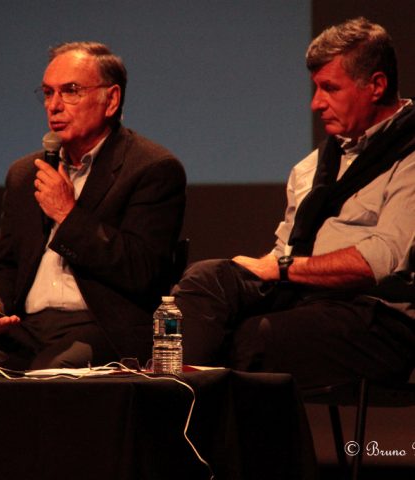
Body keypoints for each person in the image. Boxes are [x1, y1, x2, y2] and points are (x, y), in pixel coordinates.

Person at [173, 17, 415, 389]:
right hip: (303, 297)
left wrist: (282, 268)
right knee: (207, 280)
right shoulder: (311, 168)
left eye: (329, 88)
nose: (315, 104)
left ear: (376, 86)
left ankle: (192, 434)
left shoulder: (410, 157)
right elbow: (284, 248)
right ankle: (173, 415)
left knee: (253, 338)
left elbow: (382, 258)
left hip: (377, 318)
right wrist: (267, 269)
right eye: (315, 88)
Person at [0, 41, 186, 370]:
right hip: (26, 331)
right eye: (48, 93)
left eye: (71, 91)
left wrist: (68, 214)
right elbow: (4, 266)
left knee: (43, 382)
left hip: (99, 329)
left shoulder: (151, 168)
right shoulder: (25, 173)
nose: (54, 106)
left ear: (112, 99)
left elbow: (143, 271)